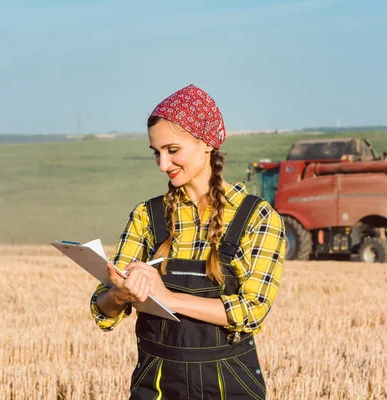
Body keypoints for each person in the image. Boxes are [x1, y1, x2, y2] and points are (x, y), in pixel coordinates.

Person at [90, 84, 286, 399]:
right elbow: (102, 308)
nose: (162, 164)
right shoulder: (147, 216)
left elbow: (251, 311)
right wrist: (120, 294)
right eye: (156, 152)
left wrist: (169, 298)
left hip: (228, 383)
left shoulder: (256, 217)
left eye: (172, 150)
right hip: (156, 384)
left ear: (207, 143)